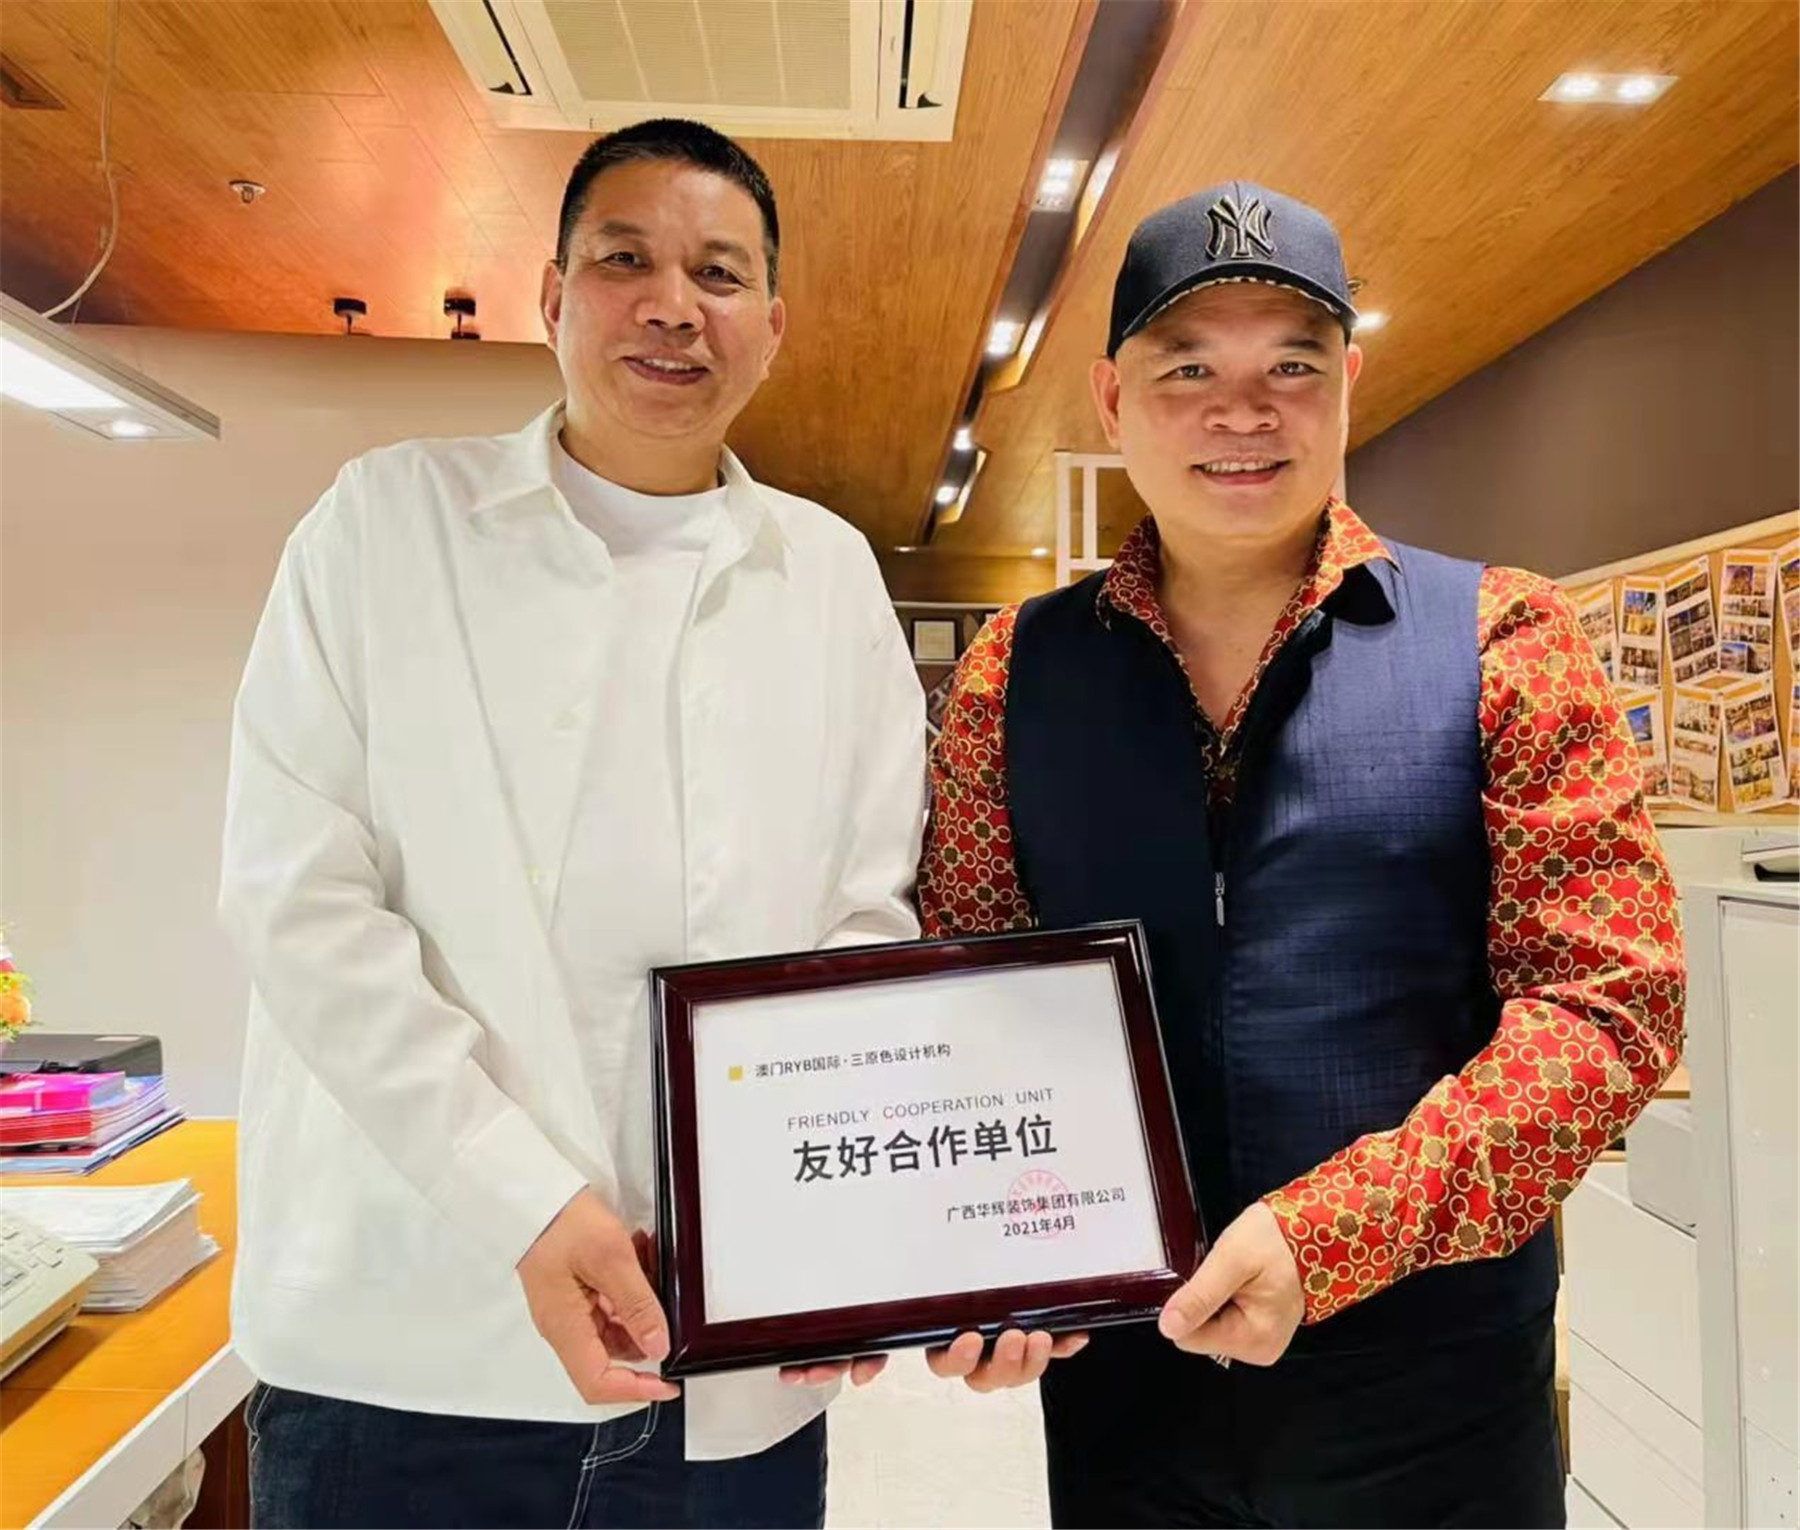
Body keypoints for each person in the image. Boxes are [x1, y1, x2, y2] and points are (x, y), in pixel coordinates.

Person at [918, 180, 1685, 1526]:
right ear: (1111, 396)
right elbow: (966, 987)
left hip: (1434, 1391)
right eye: (1188, 369)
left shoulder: (1504, 638)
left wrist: (1330, 1233)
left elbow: (1608, 1005)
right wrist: (981, 1257)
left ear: (1348, 383)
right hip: (1127, 1395)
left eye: (1292, 365)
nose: (1244, 412)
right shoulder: (1012, 674)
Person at [220, 118, 926, 1529]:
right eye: (624, 261)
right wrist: (524, 1199)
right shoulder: (385, 524)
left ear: (773, 325)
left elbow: (864, 923)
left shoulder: (829, 574)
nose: (674, 305)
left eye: (719, 273)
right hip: (407, 1352)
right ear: (551, 296)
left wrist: (834, 1246)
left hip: (727, 1363)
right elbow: (297, 900)